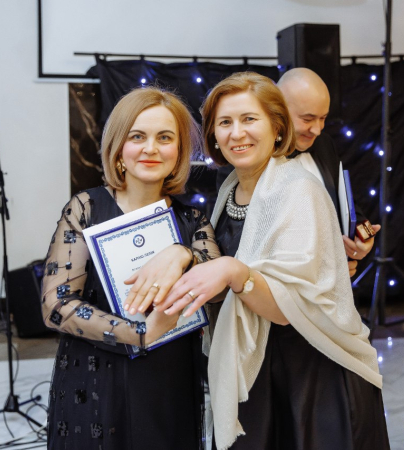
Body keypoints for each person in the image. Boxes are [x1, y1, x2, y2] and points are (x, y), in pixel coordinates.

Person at [147, 72, 389, 450]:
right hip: (258, 369)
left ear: (277, 127)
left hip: (309, 378)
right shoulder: (231, 187)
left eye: (249, 119)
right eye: (225, 122)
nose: (236, 133)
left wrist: (232, 271)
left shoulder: (299, 189)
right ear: (213, 134)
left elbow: (285, 308)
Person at [41, 86, 219, 450]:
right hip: (95, 381)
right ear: (119, 147)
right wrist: (140, 332)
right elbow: (56, 305)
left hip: (170, 382)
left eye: (165, 138)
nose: (151, 148)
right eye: (138, 136)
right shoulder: (85, 208)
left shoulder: (192, 220)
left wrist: (183, 254)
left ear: (179, 151)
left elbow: (219, 281)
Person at [277, 68, 380, 277]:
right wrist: (328, 269)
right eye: (307, 119)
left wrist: (364, 235)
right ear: (279, 110)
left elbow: (347, 205)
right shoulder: (253, 159)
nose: (317, 129)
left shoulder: (324, 144)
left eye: (323, 118)